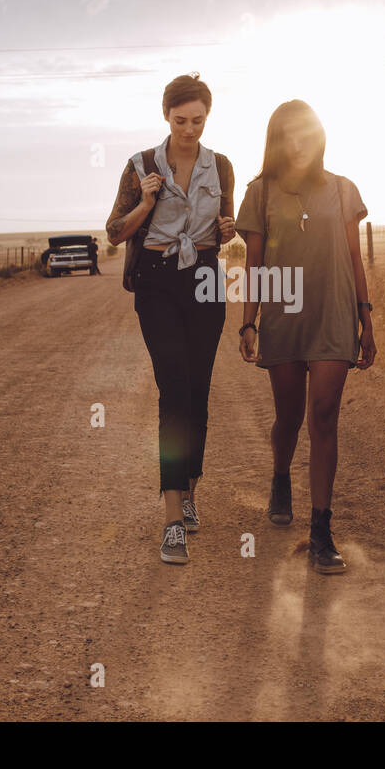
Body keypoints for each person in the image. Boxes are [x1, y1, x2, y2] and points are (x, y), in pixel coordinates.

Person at [236, 100, 375, 574]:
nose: (298, 143)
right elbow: (253, 265)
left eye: (306, 133)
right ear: (277, 140)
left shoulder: (342, 190)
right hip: (282, 316)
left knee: (324, 416)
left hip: (334, 314)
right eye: (288, 135)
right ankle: (280, 476)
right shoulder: (260, 192)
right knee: (289, 415)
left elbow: (356, 257)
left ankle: (321, 530)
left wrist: (366, 316)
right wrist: (248, 321)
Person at [105, 73, 236, 565]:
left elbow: (225, 230)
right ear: (166, 116)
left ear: (207, 115)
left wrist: (227, 229)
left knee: (199, 392)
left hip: (204, 277)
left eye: (198, 120)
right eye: (181, 120)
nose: (189, 129)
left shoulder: (221, 166)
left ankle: (190, 491)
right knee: (173, 388)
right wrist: (146, 202)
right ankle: (171, 519)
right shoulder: (140, 166)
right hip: (158, 281)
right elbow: (115, 233)